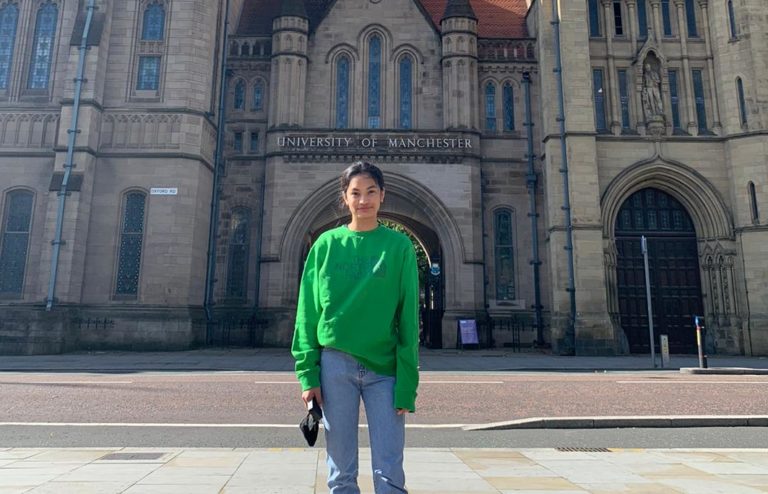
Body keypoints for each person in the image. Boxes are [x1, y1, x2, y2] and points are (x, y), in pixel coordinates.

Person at [292, 161, 420, 493]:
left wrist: (408, 382)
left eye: (371, 192)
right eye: (356, 193)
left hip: (386, 369)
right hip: (335, 366)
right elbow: (307, 312)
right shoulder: (325, 245)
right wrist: (308, 375)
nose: (364, 200)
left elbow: (408, 318)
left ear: (383, 196)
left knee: (390, 469)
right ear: (345, 198)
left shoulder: (399, 247)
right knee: (340, 471)